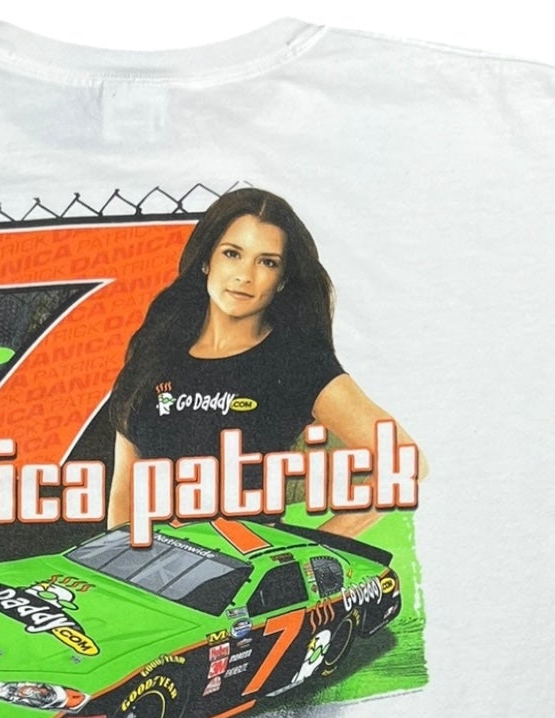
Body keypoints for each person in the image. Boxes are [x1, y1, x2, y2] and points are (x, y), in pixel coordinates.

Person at [103, 187, 420, 539]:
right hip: (153, 566)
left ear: (282, 280)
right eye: (232, 254)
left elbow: (406, 462)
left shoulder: (296, 360)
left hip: (243, 568)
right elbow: (125, 489)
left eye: (267, 262)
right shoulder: (155, 349)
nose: (245, 275)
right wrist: (121, 564)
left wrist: (316, 548)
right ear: (207, 260)